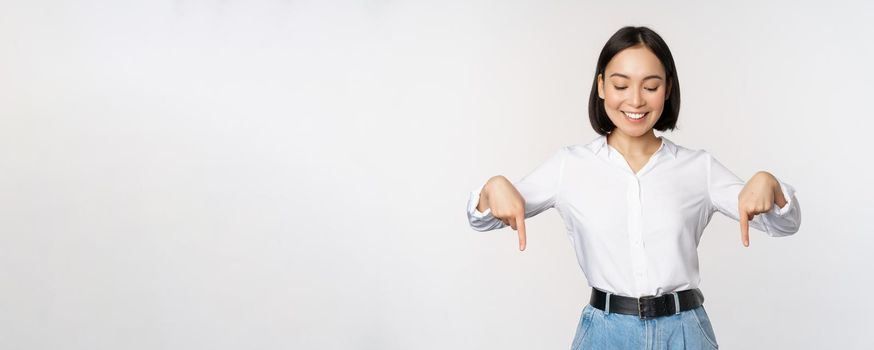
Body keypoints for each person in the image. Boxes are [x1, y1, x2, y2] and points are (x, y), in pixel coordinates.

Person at [465, 26, 801, 349]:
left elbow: (784, 224)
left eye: (650, 86)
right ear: (601, 87)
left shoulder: (699, 169)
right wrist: (492, 189)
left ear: (667, 89)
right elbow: (486, 218)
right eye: (621, 85)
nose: (635, 100)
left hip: (684, 332)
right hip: (605, 333)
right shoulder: (569, 166)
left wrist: (770, 186)